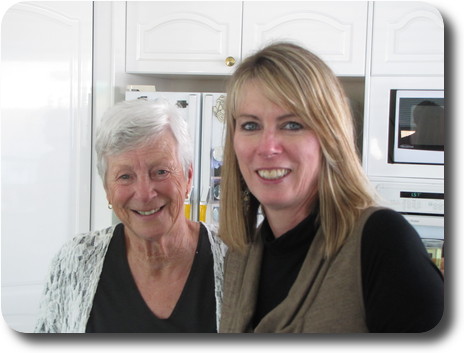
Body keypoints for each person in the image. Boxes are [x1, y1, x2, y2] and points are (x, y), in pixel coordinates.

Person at [218, 42, 444, 333]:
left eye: (292, 125)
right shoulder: (241, 255)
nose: (267, 147)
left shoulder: (382, 241)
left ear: (330, 137)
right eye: (250, 126)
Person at [35, 99, 226, 333]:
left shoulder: (236, 258)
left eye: (161, 171)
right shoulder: (75, 260)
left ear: (187, 177)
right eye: (125, 176)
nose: (145, 194)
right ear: (107, 188)